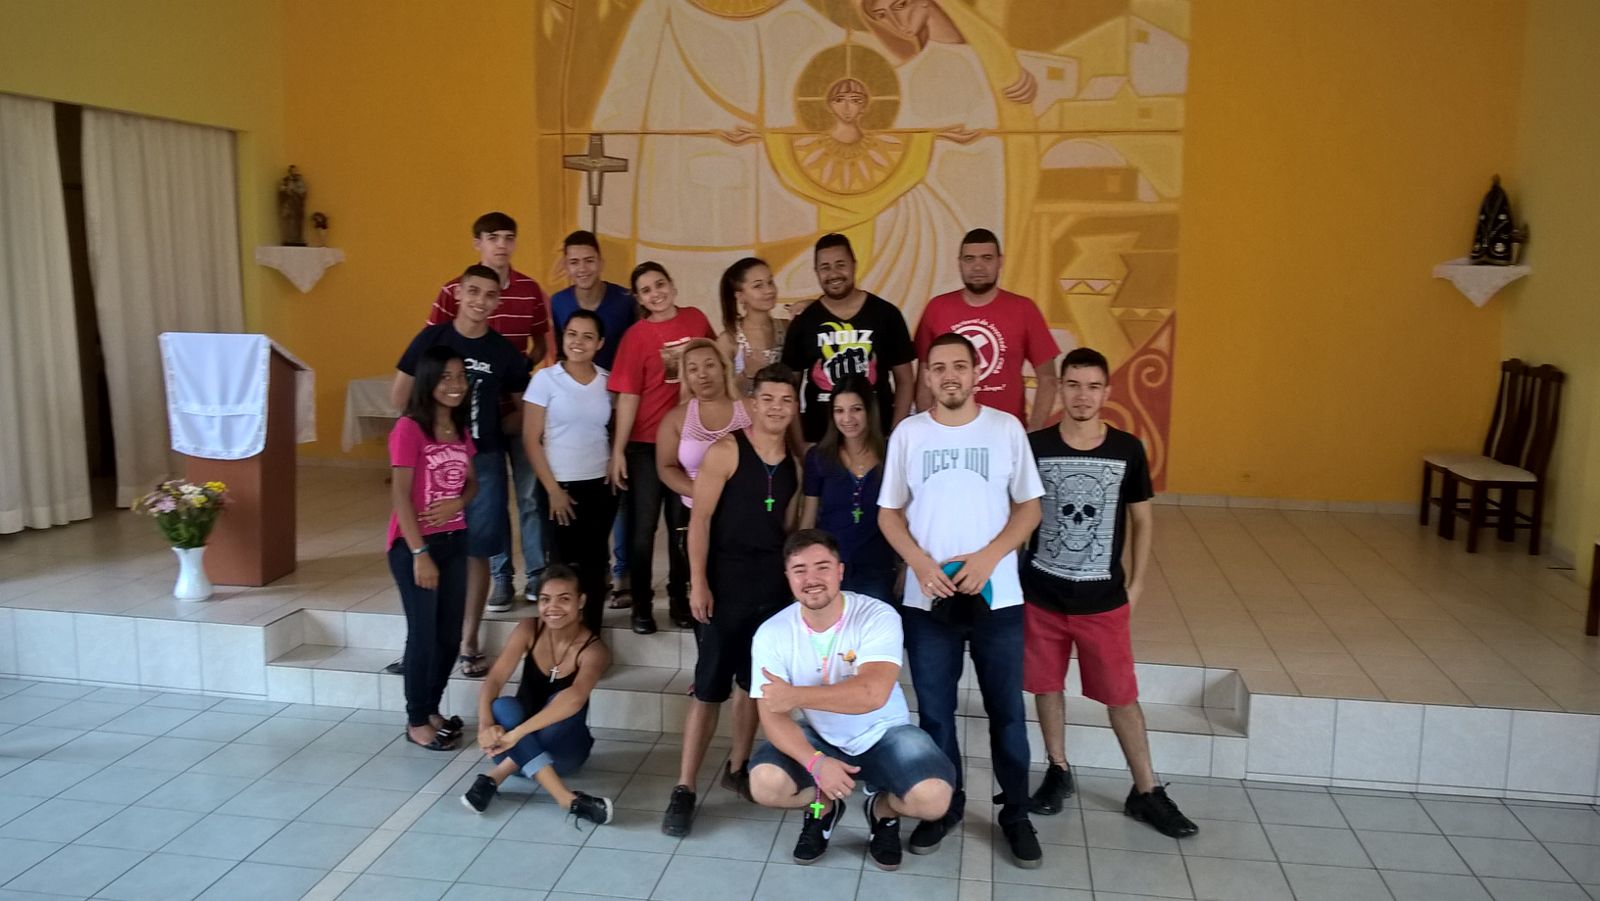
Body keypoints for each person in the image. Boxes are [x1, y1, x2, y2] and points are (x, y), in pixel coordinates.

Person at [878, 332, 1045, 868]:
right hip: (929, 602)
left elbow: (1029, 507)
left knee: (1008, 714)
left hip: (998, 599)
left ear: (977, 373)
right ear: (926, 376)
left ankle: (1016, 813)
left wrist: (990, 557)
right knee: (935, 715)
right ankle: (943, 808)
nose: (949, 375)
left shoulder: (1006, 428)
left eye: (959, 366)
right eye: (938, 367)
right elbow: (888, 513)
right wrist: (921, 564)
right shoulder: (909, 434)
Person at [1023, 347, 1197, 838]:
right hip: (1042, 595)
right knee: (1046, 686)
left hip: (1102, 600)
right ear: (1059, 388)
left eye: (1093, 386)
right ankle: (1058, 769)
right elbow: (1019, 514)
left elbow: (1143, 519)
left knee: (1121, 696)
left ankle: (1146, 790)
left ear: (1106, 392)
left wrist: (1137, 583)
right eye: (1073, 385)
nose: (1082, 396)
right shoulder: (1034, 447)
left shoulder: (1127, 449)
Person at [747, 529, 955, 871]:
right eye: (799, 570)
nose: (811, 579)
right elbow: (772, 716)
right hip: (821, 737)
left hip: (885, 733)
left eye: (822, 567)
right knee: (765, 785)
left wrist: (795, 696)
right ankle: (823, 808)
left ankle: (882, 812)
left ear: (840, 571)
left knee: (933, 800)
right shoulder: (772, 633)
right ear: (788, 577)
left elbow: (872, 694)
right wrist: (816, 763)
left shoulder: (877, 615)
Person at [664, 364, 800, 838]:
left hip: (772, 591)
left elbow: (789, 530)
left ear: (795, 406)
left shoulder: (795, 463)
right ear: (753, 403)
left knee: (752, 686)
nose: (776, 408)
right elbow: (699, 521)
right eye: (768, 399)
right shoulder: (726, 450)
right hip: (724, 585)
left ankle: (737, 766)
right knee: (708, 689)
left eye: (786, 400)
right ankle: (684, 788)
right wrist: (698, 582)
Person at [395, 264, 531, 679]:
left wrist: (488, 432)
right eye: (473, 291)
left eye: (489, 294)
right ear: (458, 293)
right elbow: (400, 396)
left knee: (476, 550)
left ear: (498, 301)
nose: (480, 301)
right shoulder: (432, 339)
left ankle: (468, 641)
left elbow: (524, 408)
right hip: (432, 459)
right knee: (429, 543)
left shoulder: (503, 351)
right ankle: (418, 644)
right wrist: (427, 439)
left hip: (481, 461)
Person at [426, 211, 550, 612]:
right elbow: (433, 346)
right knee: (488, 502)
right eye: (493, 237)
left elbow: (542, 342)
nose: (502, 244)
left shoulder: (529, 289)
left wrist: (521, 368)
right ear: (477, 243)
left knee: (529, 496)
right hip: (469, 421)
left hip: (516, 409)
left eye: (509, 237)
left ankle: (537, 575)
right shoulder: (454, 289)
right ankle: (500, 576)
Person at [607, 262, 717, 634]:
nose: (656, 293)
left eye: (660, 284)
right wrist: (619, 450)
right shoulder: (635, 337)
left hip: (690, 442)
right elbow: (628, 396)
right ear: (639, 299)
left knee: (682, 526)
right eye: (647, 290)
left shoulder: (696, 319)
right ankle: (641, 605)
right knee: (643, 529)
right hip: (646, 445)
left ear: (672, 284)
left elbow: (715, 363)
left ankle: (679, 600)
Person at [461, 565, 614, 826]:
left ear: (581, 601)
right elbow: (495, 679)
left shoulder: (594, 650)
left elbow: (575, 698)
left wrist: (516, 735)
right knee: (504, 706)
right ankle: (566, 799)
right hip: (507, 746)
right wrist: (485, 726)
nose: (553, 607)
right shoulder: (529, 629)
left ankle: (496, 776)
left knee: (561, 705)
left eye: (564, 599)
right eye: (545, 599)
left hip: (563, 754)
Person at [386, 347, 478, 751]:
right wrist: (419, 553)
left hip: (455, 540)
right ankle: (416, 720)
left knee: (449, 635)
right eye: (445, 377)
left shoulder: (459, 429)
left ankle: (431, 707)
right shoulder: (409, 429)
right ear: (428, 381)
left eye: (460, 376)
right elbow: (401, 496)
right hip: (415, 547)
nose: (456, 385)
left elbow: (472, 483)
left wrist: (458, 503)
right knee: (423, 635)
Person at [549, 229, 638, 614]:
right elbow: (557, 355)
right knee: (584, 495)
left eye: (588, 260)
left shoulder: (624, 300)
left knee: (620, 490)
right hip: (578, 409)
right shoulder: (558, 302)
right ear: (566, 266)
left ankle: (623, 574)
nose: (582, 268)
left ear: (600, 262)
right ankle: (583, 574)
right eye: (574, 262)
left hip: (620, 405)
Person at [523, 310, 619, 635]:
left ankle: (590, 637)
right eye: (572, 334)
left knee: (594, 565)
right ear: (563, 338)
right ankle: (558, 640)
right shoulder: (545, 379)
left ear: (600, 343)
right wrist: (553, 490)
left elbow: (612, 430)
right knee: (560, 569)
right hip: (558, 487)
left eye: (588, 336)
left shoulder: (607, 381)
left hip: (600, 486)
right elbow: (531, 440)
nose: (579, 342)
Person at [914, 228, 1060, 429]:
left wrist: (1033, 434)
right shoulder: (937, 308)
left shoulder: (1024, 309)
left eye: (987, 258)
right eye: (969, 259)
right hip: (949, 431)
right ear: (959, 263)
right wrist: (928, 428)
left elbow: (1048, 378)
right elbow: (924, 378)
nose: (978, 266)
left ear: (1000, 261)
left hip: (1005, 431)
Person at [781, 233, 916, 447]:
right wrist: (800, 448)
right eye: (825, 267)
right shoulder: (803, 322)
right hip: (821, 441)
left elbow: (905, 380)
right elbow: (789, 390)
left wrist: (895, 437)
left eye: (840, 264)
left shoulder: (887, 315)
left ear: (854, 265)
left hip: (877, 440)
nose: (833, 273)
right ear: (816, 272)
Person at [656, 339, 749, 628]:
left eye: (709, 365)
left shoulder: (750, 410)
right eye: (693, 369)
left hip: (743, 516)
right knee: (704, 592)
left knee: (743, 592)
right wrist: (702, 492)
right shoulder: (676, 418)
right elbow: (666, 468)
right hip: (695, 515)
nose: (703, 374)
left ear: (723, 368)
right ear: (686, 376)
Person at [800, 376, 898, 604]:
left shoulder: (891, 455)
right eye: (839, 411)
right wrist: (803, 570)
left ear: (869, 411)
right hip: (829, 572)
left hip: (878, 570)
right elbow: (808, 520)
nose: (847, 418)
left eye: (856, 409)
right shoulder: (818, 458)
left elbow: (903, 516)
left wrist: (906, 566)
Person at [715, 257, 786, 395]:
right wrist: (747, 374)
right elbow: (721, 394)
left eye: (770, 282)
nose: (769, 290)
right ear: (740, 296)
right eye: (758, 286)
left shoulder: (787, 328)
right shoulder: (729, 339)